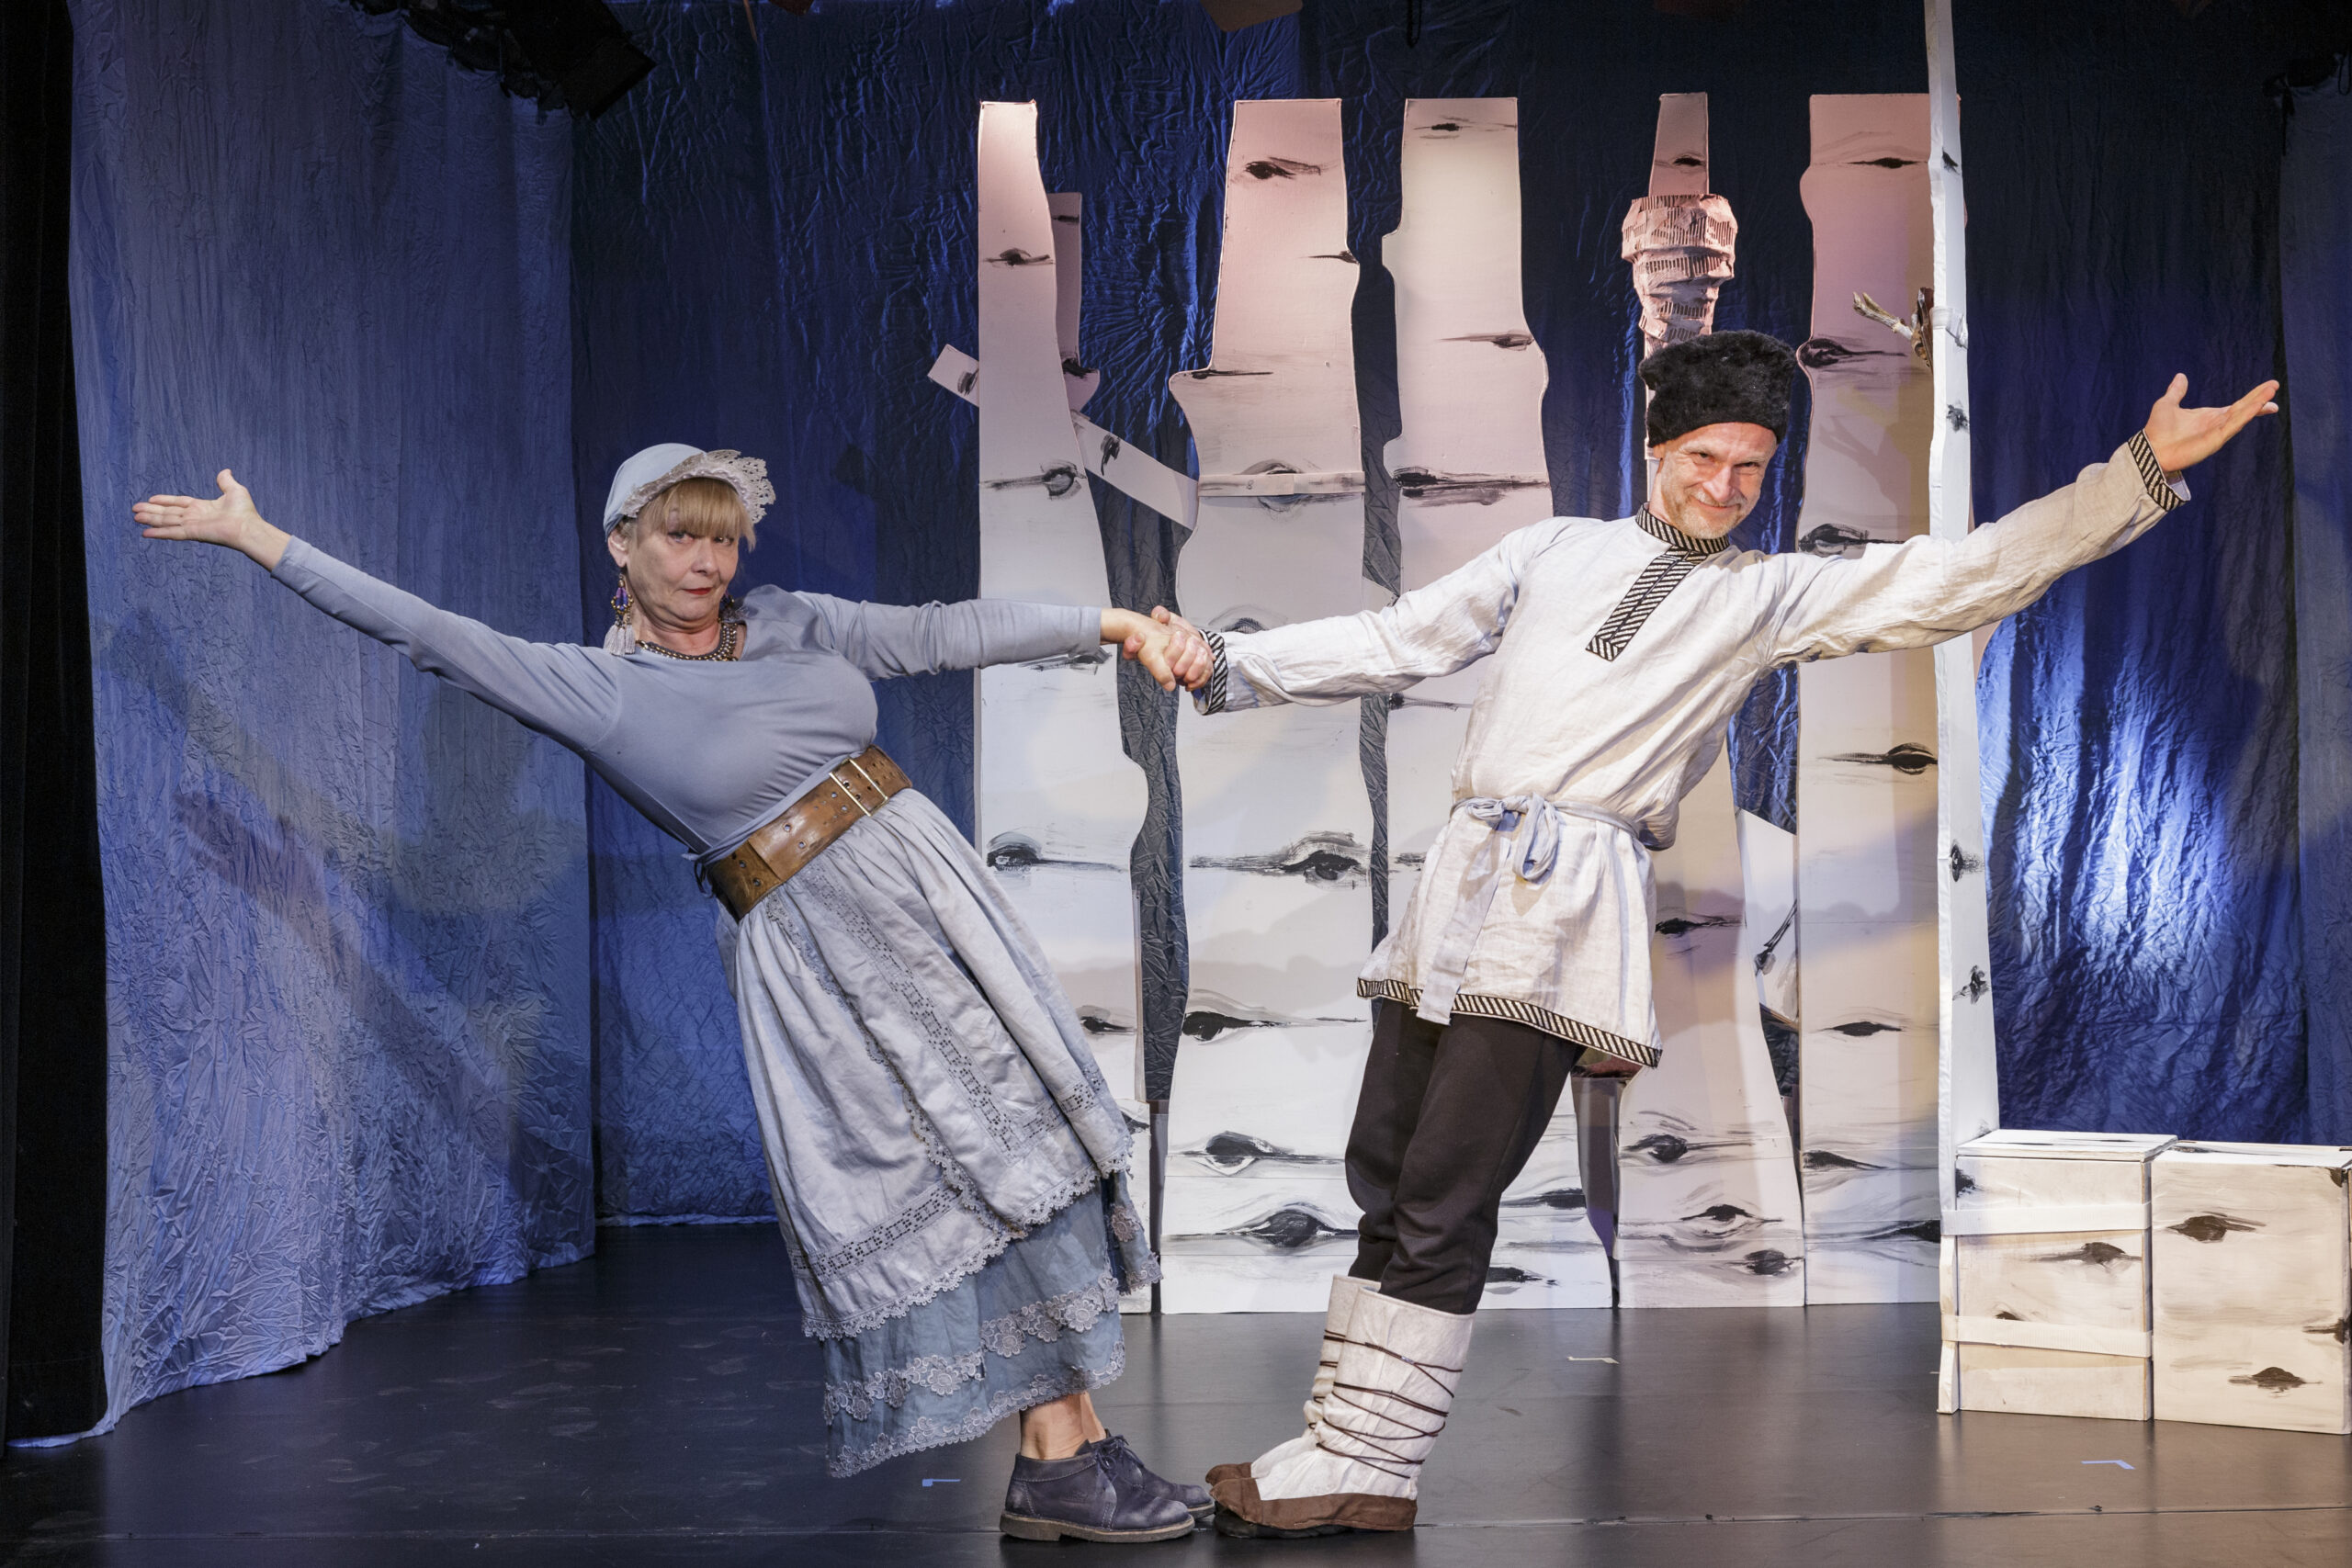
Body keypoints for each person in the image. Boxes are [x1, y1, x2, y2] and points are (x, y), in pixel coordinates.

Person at [1182, 333, 2279, 1538]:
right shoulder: (1553, 549)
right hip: (1458, 887)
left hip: (1562, 912)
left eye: (1751, 465)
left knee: (1447, 1188)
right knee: (1387, 1169)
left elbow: (1964, 574)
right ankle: (1338, 1439)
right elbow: (1399, 638)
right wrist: (1228, 660)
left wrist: (2132, 475)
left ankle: (1375, 1459)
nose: (1726, 484)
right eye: (1706, 456)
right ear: (1657, 446)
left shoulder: (1761, 595)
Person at [133, 443, 1215, 1544]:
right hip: (825, 953)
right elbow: (425, 631)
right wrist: (260, 540)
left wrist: (1113, 625)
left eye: (723, 539)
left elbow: (941, 630)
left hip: (933, 902)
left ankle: (1069, 1446)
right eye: (680, 537)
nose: (707, 562)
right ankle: (1056, 1458)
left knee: (1027, 1152)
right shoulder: (600, 690)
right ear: (623, 544)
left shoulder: (789, 621)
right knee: (964, 1175)